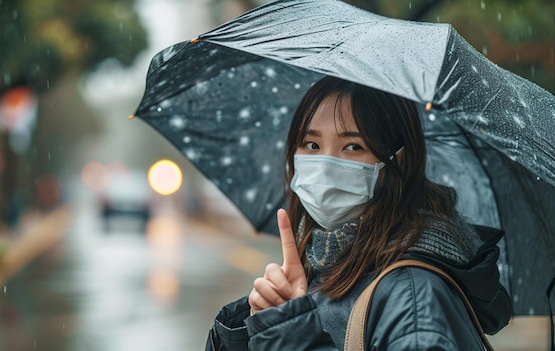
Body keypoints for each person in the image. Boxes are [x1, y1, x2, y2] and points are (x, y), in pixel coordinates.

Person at [205, 76, 512, 350]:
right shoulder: (323, 267)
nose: (325, 164)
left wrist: (291, 335)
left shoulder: (415, 297)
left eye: (352, 146)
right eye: (311, 144)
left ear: (398, 163)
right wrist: (262, 324)